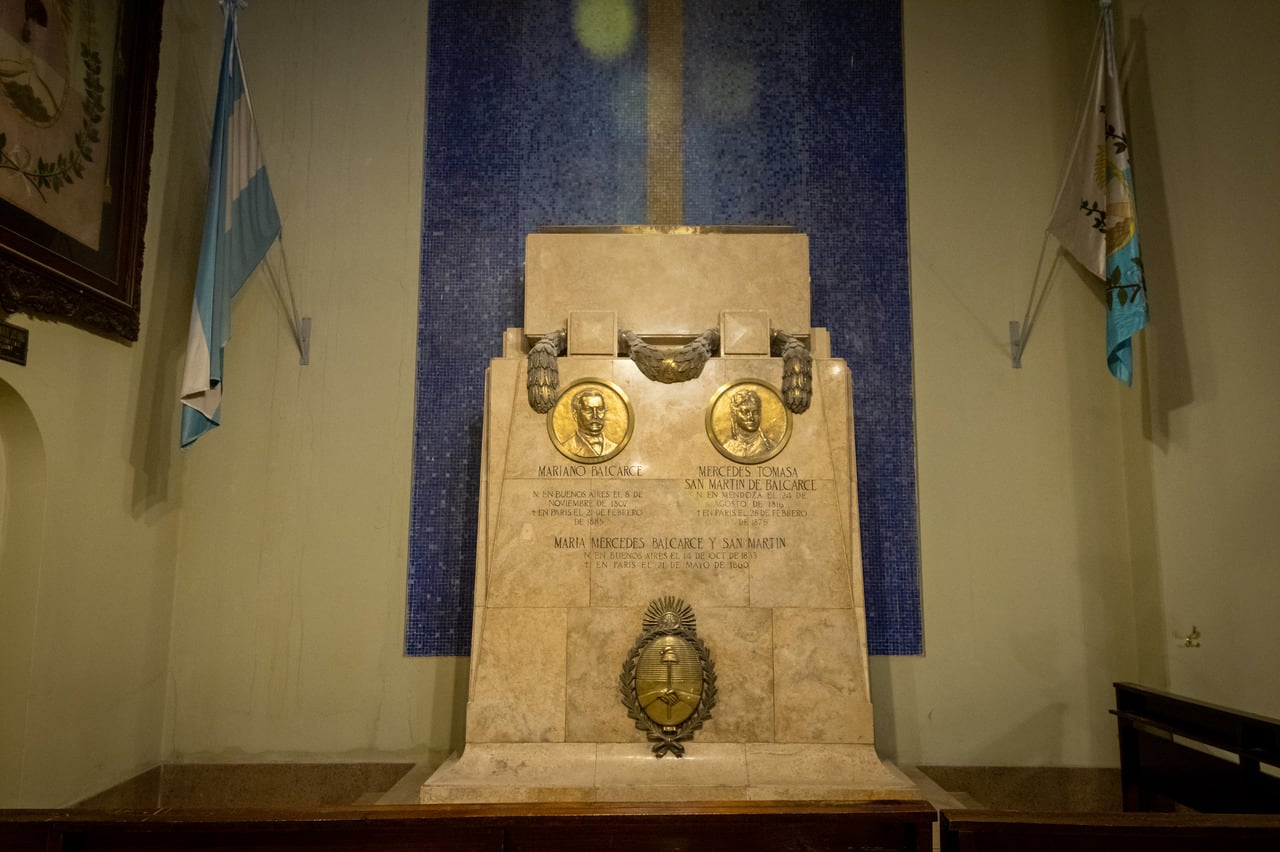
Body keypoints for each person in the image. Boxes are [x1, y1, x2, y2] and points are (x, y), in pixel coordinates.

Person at [559, 387, 618, 458]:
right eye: (588, 410)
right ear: (575, 414)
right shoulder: (566, 448)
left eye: (600, 409)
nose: (595, 416)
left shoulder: (614, 447)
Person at [721, 388, 774, 459]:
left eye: (755, 412)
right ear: (734, 415)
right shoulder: (727, 448)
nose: (751, 418)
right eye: (745, 412)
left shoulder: (770, 446)